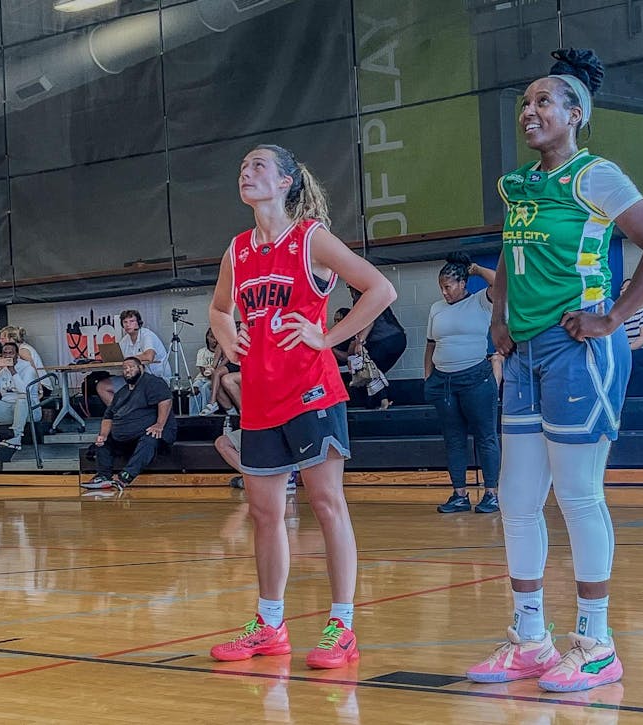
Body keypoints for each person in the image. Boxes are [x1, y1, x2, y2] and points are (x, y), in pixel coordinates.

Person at [466, 48, 643, 692]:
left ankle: (596, 642)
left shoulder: (597, 176)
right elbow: (509, 253)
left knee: (577, 494)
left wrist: (613, 318)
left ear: (575, 113)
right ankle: (530, 638)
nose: (529, 111)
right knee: (517, 499)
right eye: (524, 103)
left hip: (577, 349)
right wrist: (498, 318)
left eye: (543, 102)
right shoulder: (519, 185)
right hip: (524, 351)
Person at [207, 144, 395, 669]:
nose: (246, 172)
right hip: (260, 398)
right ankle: (269, 625)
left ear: (287, 181)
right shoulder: (238, 249)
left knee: (327, 503)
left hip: (311, 392)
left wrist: (327, 337)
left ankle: (342, 625)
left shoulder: (311, 238)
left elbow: (380, 289)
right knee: (266, 514)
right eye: (242, 166)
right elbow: (219, 308)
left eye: (258, 165)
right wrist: (228, 340)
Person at [424, 252, 501, 515]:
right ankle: (459, 494)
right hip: (444, 382)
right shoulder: (436, 308)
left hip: (476, 379)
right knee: (453, 439)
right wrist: (428, 377)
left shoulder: (481, 301)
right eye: (441, 287)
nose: (444, 292)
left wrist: (477, 269)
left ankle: (491, 493)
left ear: (462, 284)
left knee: (486, 436)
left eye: (448, 287)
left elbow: (502, 284)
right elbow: (430, 345)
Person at [81, 357, 178, 490]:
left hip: (150, 433)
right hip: (125, 438)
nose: (127, 370)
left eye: (131, 367)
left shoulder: (152, 382)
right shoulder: (122, 393)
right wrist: (103, 435)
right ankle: (103, 477)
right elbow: (108, 416)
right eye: (125, 368)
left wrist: (159, 424)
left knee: (150, 438)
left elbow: (165, 400)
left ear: (141, 368)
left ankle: (125, 477)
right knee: (102, 442)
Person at [346, 285, 406, 409]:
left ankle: (383, 401)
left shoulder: (362, 298)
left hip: (385, 339)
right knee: (375, 370)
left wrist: (359, 342)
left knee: (370, 368)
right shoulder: (374, 294)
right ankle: (381, 400)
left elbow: (369, 321)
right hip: (398, 337)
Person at [96, 310, 171, 407]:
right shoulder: (125, 340)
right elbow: (120, 360)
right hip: (133, 377)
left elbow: (149, 356)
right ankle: (120, 414)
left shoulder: (146, 334)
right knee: (102, 386)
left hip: (155, 377)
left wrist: (129, 359)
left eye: (131, 321)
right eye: (125, 322)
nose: (128, 325)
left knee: (136, 388)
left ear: (138, 323)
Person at [0, 326, 50, 398]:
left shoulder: (22, 350)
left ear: (10, 338)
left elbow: (33, 370)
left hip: (41, 385)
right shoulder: (17, 349)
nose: (0, 341)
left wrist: (39, 389)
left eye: (2, 338)